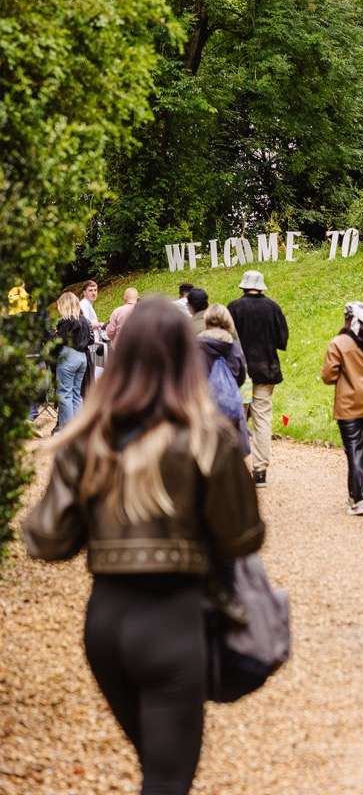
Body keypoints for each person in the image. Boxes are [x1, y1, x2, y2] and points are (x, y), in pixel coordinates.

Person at [22, 298, 264, 795]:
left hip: (106, 623)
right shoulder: (206, 439)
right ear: (184, 356)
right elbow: (244, 537)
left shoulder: (89, 440)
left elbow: (47, 539)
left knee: (156, 765)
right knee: (169, 777)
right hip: (174, 620)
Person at [322, 302, 363, 515]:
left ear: (348, 318)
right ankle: (354, 495)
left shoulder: (339, 342)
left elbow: (328, 376)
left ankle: (361, 499)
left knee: (354, 450)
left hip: (349, 404)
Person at [228, 270, 288, 487]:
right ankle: (260, 471)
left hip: (239, 372)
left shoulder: (233, 308)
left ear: (243, 287)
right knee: (263, 419)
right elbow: (282, 340)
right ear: (262, 287)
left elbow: (227, 340)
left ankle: (236, 468)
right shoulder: (273, 307)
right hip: (266, 371)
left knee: (237, 420)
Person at [53, 290, 94, 429]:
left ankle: (67, 430)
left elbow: (58, 342)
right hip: (82, 357)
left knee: (64, 394)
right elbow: (90, 339)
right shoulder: (84, 320)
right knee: (77, 394)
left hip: (68, 356)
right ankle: (78, 429)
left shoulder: (65, 321)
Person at [197, 303, 247, 387]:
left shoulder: (195, 346)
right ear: (228, 321)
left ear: (206, 319)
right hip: (226, 397)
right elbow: (241, 376)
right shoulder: (233, 347)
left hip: (201, 396)